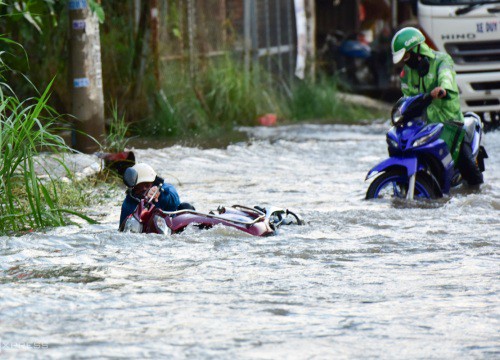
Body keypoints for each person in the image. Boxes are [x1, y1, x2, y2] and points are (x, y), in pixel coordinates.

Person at [391, 27, 483, 187]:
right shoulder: (406, 73)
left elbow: (446, 76)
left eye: (406, 55)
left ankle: (479, 192)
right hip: (424, 127)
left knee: (466, 164)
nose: (405, 61)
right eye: (403, 58)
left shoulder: (442, 60)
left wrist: (443, 88)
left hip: (449, 123)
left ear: (417, 50)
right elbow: (407, 97)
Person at [119, 163, 192, 230]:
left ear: (153, 182)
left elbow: (174, 200)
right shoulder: (128, 203)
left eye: (147, 185)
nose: (144, 189)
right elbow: (122, 229)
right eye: (139, 187)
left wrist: (160, 195)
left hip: (171, 226)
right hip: (147, 230)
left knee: (186, 206)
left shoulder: (166, 189)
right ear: (133, 187)